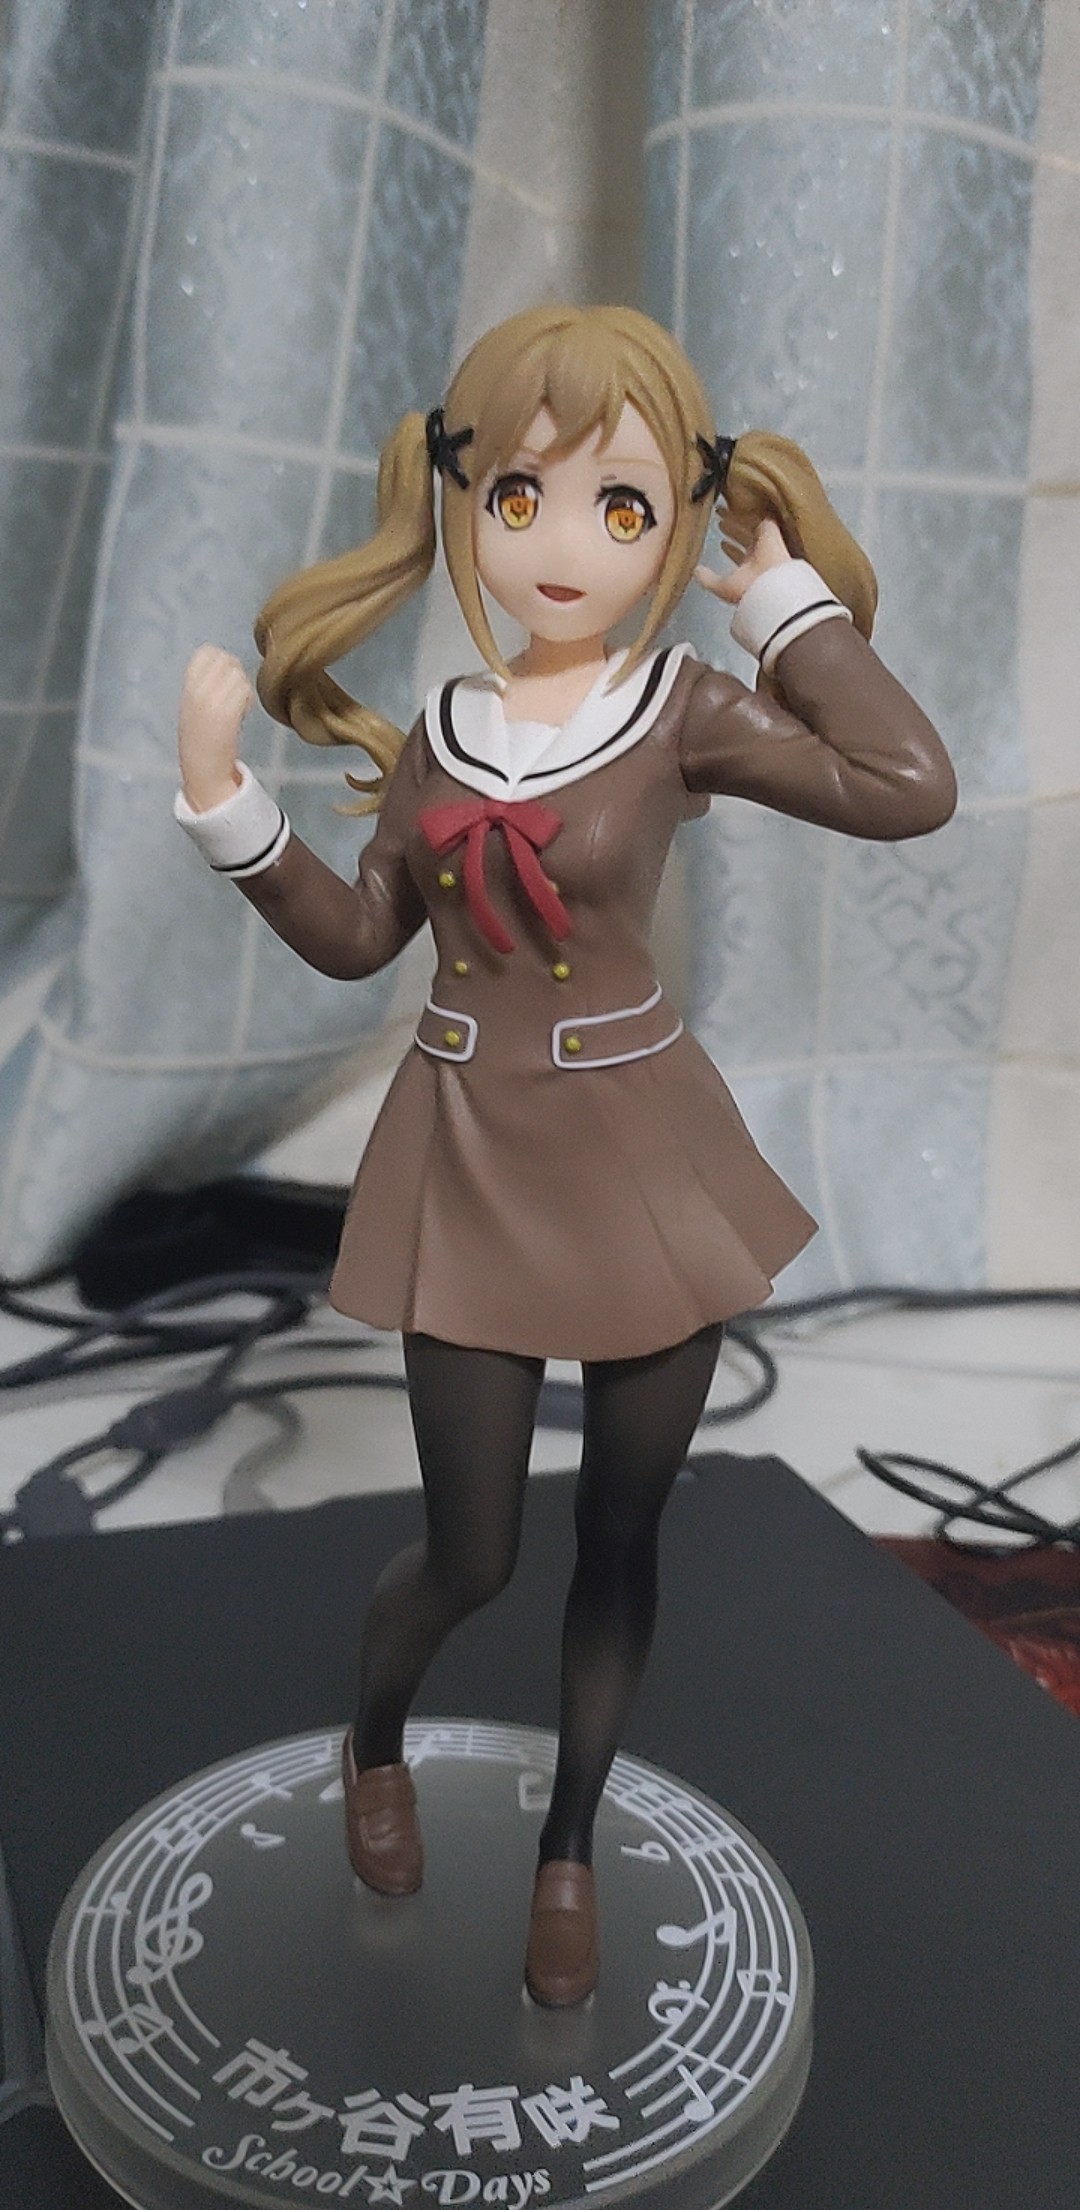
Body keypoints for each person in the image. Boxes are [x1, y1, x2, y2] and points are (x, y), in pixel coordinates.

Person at [176, 303, 956, 2008]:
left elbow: (908, 784)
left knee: (620, 1533)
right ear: (462, 500)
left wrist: (789, 609)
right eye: (520, 495)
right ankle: (374, 1740)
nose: (563, 545)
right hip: (468, 1154)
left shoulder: (682, 707)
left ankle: (570, 1846)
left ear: (674, 525)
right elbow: (358, 937)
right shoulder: (442, 729)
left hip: (641, 1163)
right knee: (474, 1552)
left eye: (621, 507)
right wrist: (229, 804)